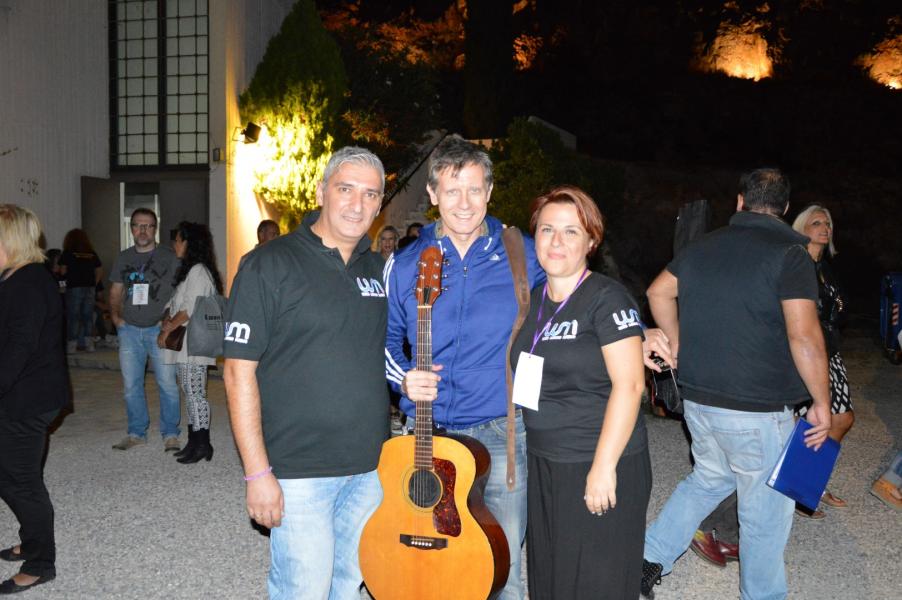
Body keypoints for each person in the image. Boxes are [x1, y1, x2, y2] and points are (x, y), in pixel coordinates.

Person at [640, 168, 832, 599]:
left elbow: (657, 292)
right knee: (765, 516)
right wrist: (821, 400)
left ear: (740, 202)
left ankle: (647, 558)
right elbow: (804, 336)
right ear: (785, 208)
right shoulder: (790, 254)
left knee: (710, 479)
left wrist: (677, 344)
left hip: (699, 399)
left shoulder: (703, 246)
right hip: (757, 409)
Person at [224, 146, 389, 598]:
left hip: (370, 469)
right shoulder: (269, 264)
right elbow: (237, 373)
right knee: (304, 589)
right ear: (321, 192)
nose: (357, 204)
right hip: (299, 471)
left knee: (348, 585)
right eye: (346, 189)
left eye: (370, 194)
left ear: (379, 204)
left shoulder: (379, 270)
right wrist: (257, 473)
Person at [385, 134, 545, 599]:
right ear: (432, 194)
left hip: (501, 429)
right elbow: (382, 342)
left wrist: (636, 331)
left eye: (475, 189)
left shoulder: (522, 252)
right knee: (432, 563)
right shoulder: (405, 263)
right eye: (452, 190)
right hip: (426, 431)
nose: (464, 202)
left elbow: (578, 292)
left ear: (490, 191)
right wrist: (403, 378)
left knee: (503, 567)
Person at [510, 186, 651, 599]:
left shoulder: (607, 298)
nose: (556, 241)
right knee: (551, 576)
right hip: (545, 459)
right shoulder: (535, 300)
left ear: (591, 241)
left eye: (571, 231)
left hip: (596, 458)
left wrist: (603, 467)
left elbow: (631, 385)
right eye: (547, 229)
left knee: (595, 581)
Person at [0, 204, 68, 594]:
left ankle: (41, 564)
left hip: (30, 397)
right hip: (18, 392)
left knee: (22, 481)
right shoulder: (13, 276)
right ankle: (31, 541)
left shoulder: (29, 283)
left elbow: (18, 349)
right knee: (11, 474)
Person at [791, 204, 854, 516]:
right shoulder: (796, 264)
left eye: (827, 223)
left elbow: (837, 311)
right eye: (816, 222)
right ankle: (799, 489)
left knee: (842, 418)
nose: (824, 228)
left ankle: (808, 484)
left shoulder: (825, 269)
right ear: (802, 228)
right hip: (806, 351)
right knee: (806, 423)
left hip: (830, 351)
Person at [108, 208, 182, 452]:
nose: (142, 230)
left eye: (148, 226)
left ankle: (170, 433)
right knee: (131, 386)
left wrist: (169, 322)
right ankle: (136, 432)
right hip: (129, 330)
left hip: (159, 330)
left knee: (167, 384)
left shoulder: (169, 257)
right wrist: (116, 318)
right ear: (131, 229)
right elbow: (116, 290)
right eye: (138, 225)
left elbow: (180, 291)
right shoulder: (123, 257)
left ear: (155, 229)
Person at [157, 222, 223, 464]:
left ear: (189, 243)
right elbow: (175, 304)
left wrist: (167, 329)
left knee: (196, 394)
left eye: (177, 240)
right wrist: (166, 319)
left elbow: (189, 309)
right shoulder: (190, 270)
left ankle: (203, 443)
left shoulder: (198, 271)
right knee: (190, 392)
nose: (174, 244)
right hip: (185, 343)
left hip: (194, 342)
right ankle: (194, 441)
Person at [58, 229, 102, 353]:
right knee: (88, 316)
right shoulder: (91, 253)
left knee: (74, 316)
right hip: (90, 287)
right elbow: (99, 270)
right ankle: (89, 344)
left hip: (74, 287)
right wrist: (94, 283)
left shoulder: (68, 252)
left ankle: (72, 345)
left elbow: (63, 271)